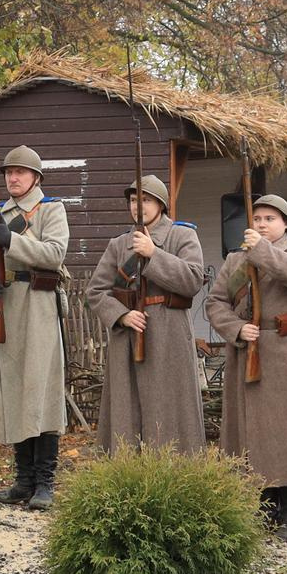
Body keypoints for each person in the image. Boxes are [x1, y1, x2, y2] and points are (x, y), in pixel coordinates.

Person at [205, 193, 287, 535]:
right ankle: (265, 508)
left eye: (269, 219)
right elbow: (216, 302)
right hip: (250, 350)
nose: (261, 224)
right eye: (256, 219)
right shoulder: (236, 261)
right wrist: (235, 328)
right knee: (255, 432)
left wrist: (262, 251)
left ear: (285, 223)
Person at [0, 144, 71, 508]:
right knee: (14, 390)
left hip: (39, 307)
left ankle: (45, 482)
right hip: (6, 306)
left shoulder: (51, 210)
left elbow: (55, 254)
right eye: (9, 172)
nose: (13, 177)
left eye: (20, 172)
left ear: (35, 177)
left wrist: (12, 239)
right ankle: (23, 480)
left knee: (41, 390)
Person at [83, 175, 207, 455]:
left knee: (171, 406)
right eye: (134, 200)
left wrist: (153, 254)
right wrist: (122, 315)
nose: (138, 206)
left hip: (170, 334)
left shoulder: (182, 235)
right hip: (129, 337)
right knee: (129, 409)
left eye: (146, 200)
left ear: (161, 205)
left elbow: (193, 280)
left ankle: (175, 473)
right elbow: (96, 291)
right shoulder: (118, 245)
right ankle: (130, 472)